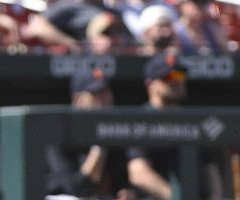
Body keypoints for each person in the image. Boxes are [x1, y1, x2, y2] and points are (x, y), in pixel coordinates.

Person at [127, 52, 224, 200]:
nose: (176, 81)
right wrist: (176, 197)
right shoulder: (142, 119)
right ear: (150, 83)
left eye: (179, 76)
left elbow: (208, 167)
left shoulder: (191, 119)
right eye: (168, 77)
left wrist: (215, 197)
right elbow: (138, 173)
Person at [45, 69, 132, 199]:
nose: (105, 98)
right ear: (78, 99)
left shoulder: (115, 131)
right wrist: (100, 146)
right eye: (97, 93)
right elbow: (76, 188)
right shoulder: (61, 132)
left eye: (106, 91)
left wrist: (126, 192)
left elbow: (120, 182)